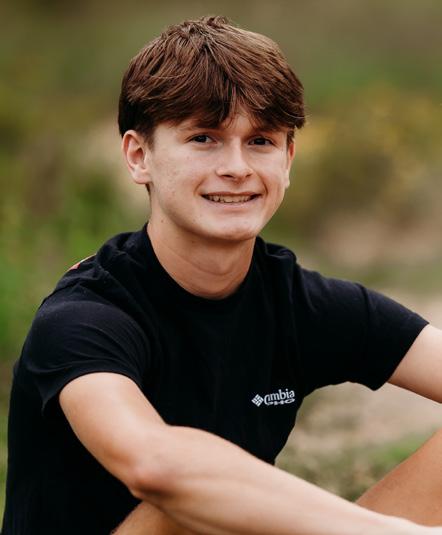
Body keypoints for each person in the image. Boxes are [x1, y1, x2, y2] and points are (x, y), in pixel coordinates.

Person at [2, 15, 442, 535]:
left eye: (260, 141)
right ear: (139, 156)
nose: (236, 167)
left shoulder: (297, 300)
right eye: (204, 138)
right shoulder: (84, 317)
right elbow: (157, 468)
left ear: (288, 158)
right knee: (193, 482)